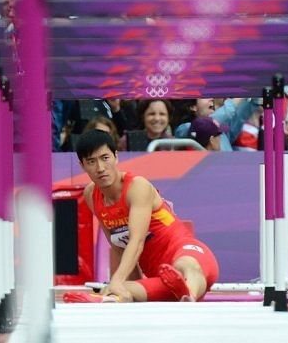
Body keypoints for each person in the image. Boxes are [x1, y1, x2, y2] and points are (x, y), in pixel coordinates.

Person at [64, 129, 219, 303]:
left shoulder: (137, 187)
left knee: (185, 266)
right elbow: (118, 247)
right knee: (124, 290)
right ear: (82, 166)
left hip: (190, 253)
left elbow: (136, 241)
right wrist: (123, 288)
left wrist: (117, 280)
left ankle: (188, 294)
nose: (100, 168)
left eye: (105, 158)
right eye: (91, 161)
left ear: (116, 156)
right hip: (162, 280)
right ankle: (105, 300)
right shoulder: (91, 195)